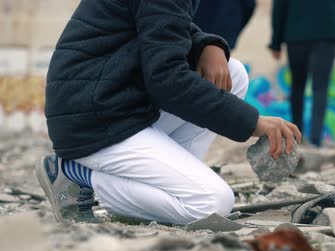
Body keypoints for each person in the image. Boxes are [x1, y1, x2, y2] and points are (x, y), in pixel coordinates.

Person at [36, 0, 301, 225]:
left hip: (115, 101)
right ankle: (74, 176)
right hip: (94, 117)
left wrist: (207, 46)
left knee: (234, 74)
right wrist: (253, 122)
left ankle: (167, 189)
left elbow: (158, 23)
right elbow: (167, 80)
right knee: (212, 204)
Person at [269, 0, 335, 146]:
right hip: (327, 33)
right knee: (320, 88)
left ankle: (295, 138)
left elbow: (279, 7)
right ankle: (316, 140)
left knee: (297, 87)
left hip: (295, 34)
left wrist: (276, 42)